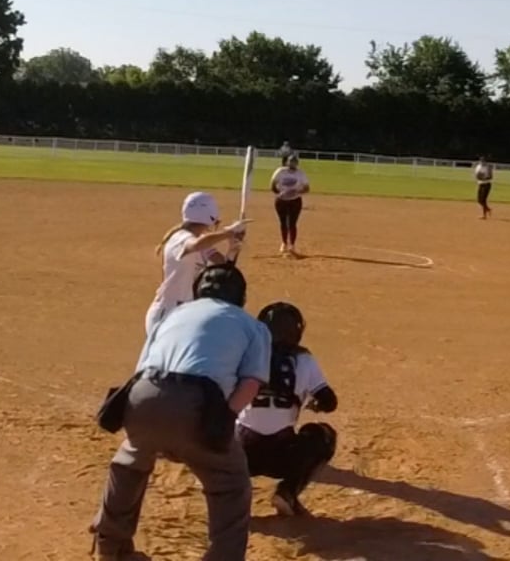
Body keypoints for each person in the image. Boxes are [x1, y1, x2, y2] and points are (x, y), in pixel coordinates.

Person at [92, 262, 269, 561]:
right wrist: (225, 418)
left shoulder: (172, 315)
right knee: (231, 483)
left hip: (143, 394)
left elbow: (142, 367)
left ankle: (111, 548)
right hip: (196, 403)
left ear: (198, 291)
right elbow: (251, 382)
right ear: (241, 296)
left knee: (130, 464)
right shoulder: (252, 326)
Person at [238, 301, 339, 518]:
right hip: (281, 454)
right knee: (324, 435)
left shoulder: (245, 355)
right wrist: (315, 404)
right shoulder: (304, 359)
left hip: (241, 455)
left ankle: (231, 494)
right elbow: (330, 402)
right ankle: (288, 491)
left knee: (221, 429)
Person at [145, 191, 247, 337]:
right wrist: (229, 233)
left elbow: (224, 271)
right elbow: (196, 245)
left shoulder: (201, 242)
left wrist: (233, 248)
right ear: (210, 216)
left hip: (185, 314)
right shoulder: (180, 238)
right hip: (167, 314)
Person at [269, 154, 311, 259]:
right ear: (287, 162)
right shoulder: (280, 171)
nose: (292, 163)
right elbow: (272, 184)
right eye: (291, 161)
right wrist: (279, 193)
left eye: (294, 161)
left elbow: (307, 188)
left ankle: (292, 245)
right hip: (281, 201)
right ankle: (284, 243)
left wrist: (297, 192)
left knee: (292, 223)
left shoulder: (300, 173)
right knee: (283, 222)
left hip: (295, 201)